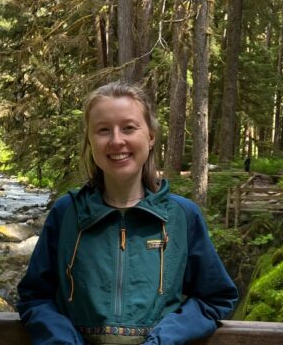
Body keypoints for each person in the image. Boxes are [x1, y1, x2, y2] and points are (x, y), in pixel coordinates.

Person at [17, 81, 238, 344]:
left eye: (129, 128)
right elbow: (35, 296)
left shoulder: (181, 216)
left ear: (151, 136)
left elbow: (215, 298)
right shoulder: (67, 213)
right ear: (90, 140)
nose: (116, 140)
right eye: (103, 130)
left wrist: (163, 340)